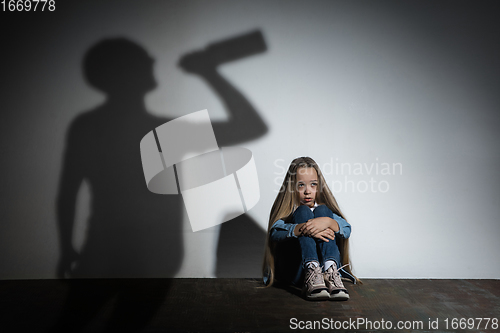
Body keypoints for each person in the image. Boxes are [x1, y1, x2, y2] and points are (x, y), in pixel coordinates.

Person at [262, 157, 359, 301]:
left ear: (319, 186)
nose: (308, 191)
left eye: (313, 184)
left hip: (324, 277)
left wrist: (327, 222)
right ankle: (311, 268)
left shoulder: (325, 213)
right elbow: (275, 233)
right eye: (301, 185)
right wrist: (303, 228)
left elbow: (346, 229)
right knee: (302, 211)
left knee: (323, 211)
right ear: (291, 187)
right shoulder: (290, 212)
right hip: (297, 273)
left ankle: (330, 271)